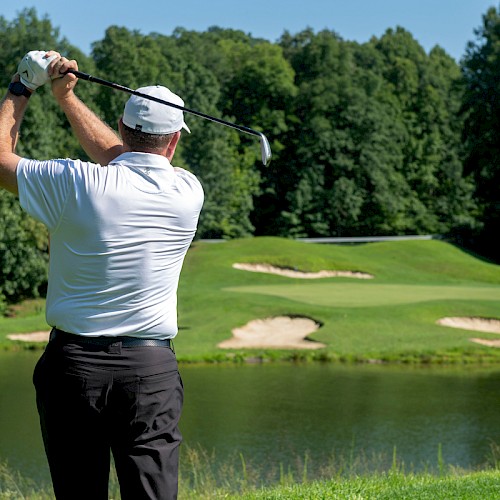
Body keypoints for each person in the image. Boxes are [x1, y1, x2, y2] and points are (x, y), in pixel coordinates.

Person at [0, 50, 204, 499]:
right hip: (151, 372)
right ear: (173, 142)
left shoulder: (77, 184)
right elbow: (127, 159)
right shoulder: (188, 191)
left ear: (124, 125)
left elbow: (0, 160)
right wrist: (66, 98)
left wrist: (24, 87)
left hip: (74, 370)